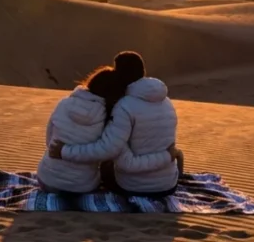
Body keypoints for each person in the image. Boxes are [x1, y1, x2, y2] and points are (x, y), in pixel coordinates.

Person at [49, 52, 183, 197]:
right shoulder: (167, 102)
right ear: (143, 71)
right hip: (169, 186)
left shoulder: (124, 107)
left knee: (106, 164)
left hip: (134, 188)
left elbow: (122, 160)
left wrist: (64, 152)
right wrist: (168, 156)